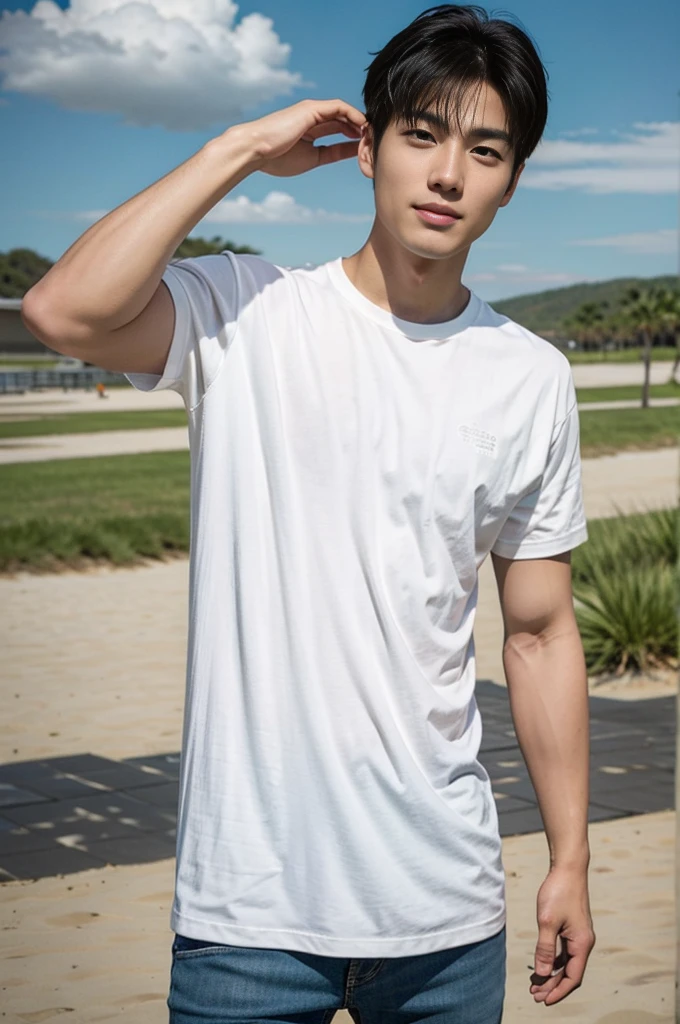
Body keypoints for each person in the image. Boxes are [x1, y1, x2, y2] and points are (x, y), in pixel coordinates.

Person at [22, 5, 596, 1021]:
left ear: (511, 180)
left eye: (484, 149)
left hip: (446, 917)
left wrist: (570, 859)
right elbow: (63, 311)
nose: (446, 174)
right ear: (365, 146)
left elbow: (540, 632)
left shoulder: (530, 377)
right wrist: (237, 146)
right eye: (419, 133)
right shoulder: (244, 308)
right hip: (247, 915)